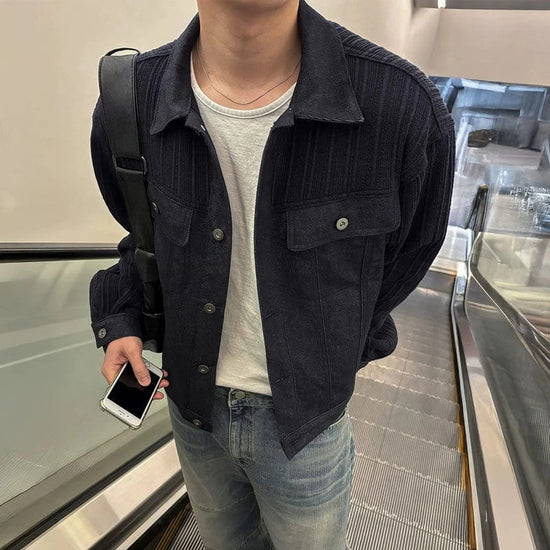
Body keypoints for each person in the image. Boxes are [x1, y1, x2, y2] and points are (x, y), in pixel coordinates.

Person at [89, 0, 455, 548]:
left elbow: (410, 252)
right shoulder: (131, 98)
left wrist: (334, 347)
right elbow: (143, 234)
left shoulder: (399, 106)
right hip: (192, 410)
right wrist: (122, 319)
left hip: (307, 426)